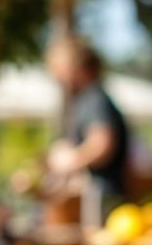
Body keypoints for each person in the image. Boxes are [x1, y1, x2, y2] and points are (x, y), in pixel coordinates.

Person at [44, 34, 132, 222]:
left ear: (76, 67)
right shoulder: (87, 100)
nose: (56, 75)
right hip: (98, 196)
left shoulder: (95, 100)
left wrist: (70, 160)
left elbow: (102, 144)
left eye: (59, 67)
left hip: (103, 196)